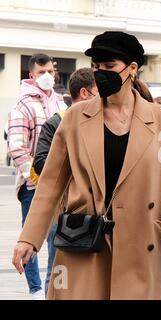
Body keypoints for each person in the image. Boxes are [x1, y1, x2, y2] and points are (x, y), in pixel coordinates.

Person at [12, 31, 161, 300]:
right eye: (96, 68)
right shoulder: (74, 118)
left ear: (132, 69)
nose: (101, 74)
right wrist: (29, 238)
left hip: (141, 245)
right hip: (84, 242)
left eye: (109, 67)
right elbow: (51, 184)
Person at [29, 67, 98, 297]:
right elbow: (41, 163)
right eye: (99, 90)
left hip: (98, 211)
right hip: (64, 210)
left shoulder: (103, 122)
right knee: (58, 268)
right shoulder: (57, 122)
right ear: (86, 93)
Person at [8, 53, 67, 299]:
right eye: (41, 72)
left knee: (57, 239)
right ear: (31, 75)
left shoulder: (61, 103)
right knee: (31, 237)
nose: (46, 76)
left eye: (50, 72)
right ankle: (35, 290)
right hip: (33, 185)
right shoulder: (22, 106)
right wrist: (36, 178)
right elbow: (18, 148)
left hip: (59, 186)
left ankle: (50, 288)